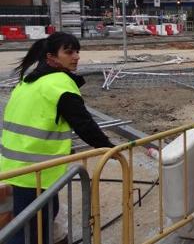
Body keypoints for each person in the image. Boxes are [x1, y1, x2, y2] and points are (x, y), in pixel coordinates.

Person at [0, 32, 114, 244]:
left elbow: (39, 121)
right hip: (35, 175)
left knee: (23, 227)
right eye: (69, 52)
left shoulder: (28, 81)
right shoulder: (59, 83)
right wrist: (110, 148)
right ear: (51, 57)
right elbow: (84, 125)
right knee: (28, 234)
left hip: (11, 169)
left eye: (77, 51)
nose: (76, 56)